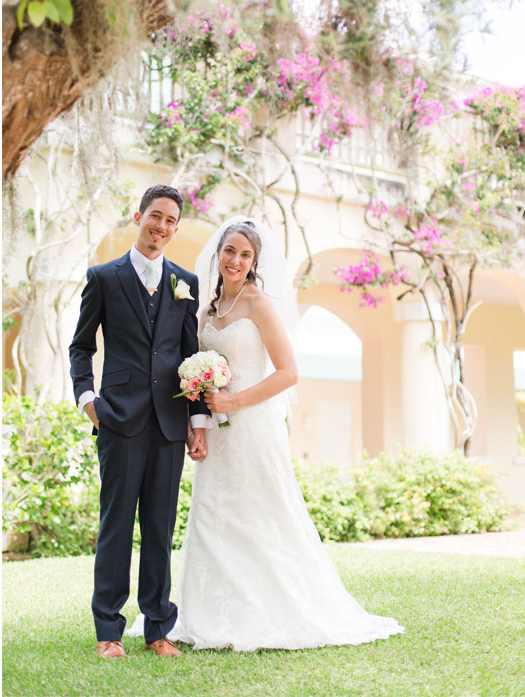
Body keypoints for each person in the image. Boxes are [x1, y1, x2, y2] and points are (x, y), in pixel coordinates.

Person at [128, 216, 403, 650]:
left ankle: (269, 609)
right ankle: (209, 613)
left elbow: (289, 372)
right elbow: (194, 372)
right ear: (217, 253)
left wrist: (235, 401)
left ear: (255, 261)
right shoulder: (207, 308)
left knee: (260, 514)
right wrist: (195, 425)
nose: (235, 260)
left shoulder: (259, 304)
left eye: (245, 254)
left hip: (253, 426)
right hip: (215, 432)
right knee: (214, 514)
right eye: (229, 251)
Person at [69, 184, 210, 659]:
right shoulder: (104, 278)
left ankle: (157, 630)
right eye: (156, 216)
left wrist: (196, 421)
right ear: (139, 216)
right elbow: (81, 346)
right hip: (119, 421)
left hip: (169, 424)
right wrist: (89, 401)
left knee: (159, 526)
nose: (163, 226)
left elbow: (190, 358)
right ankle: (108, 630)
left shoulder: (184, 282)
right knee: (115, 526)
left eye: (171, 220)